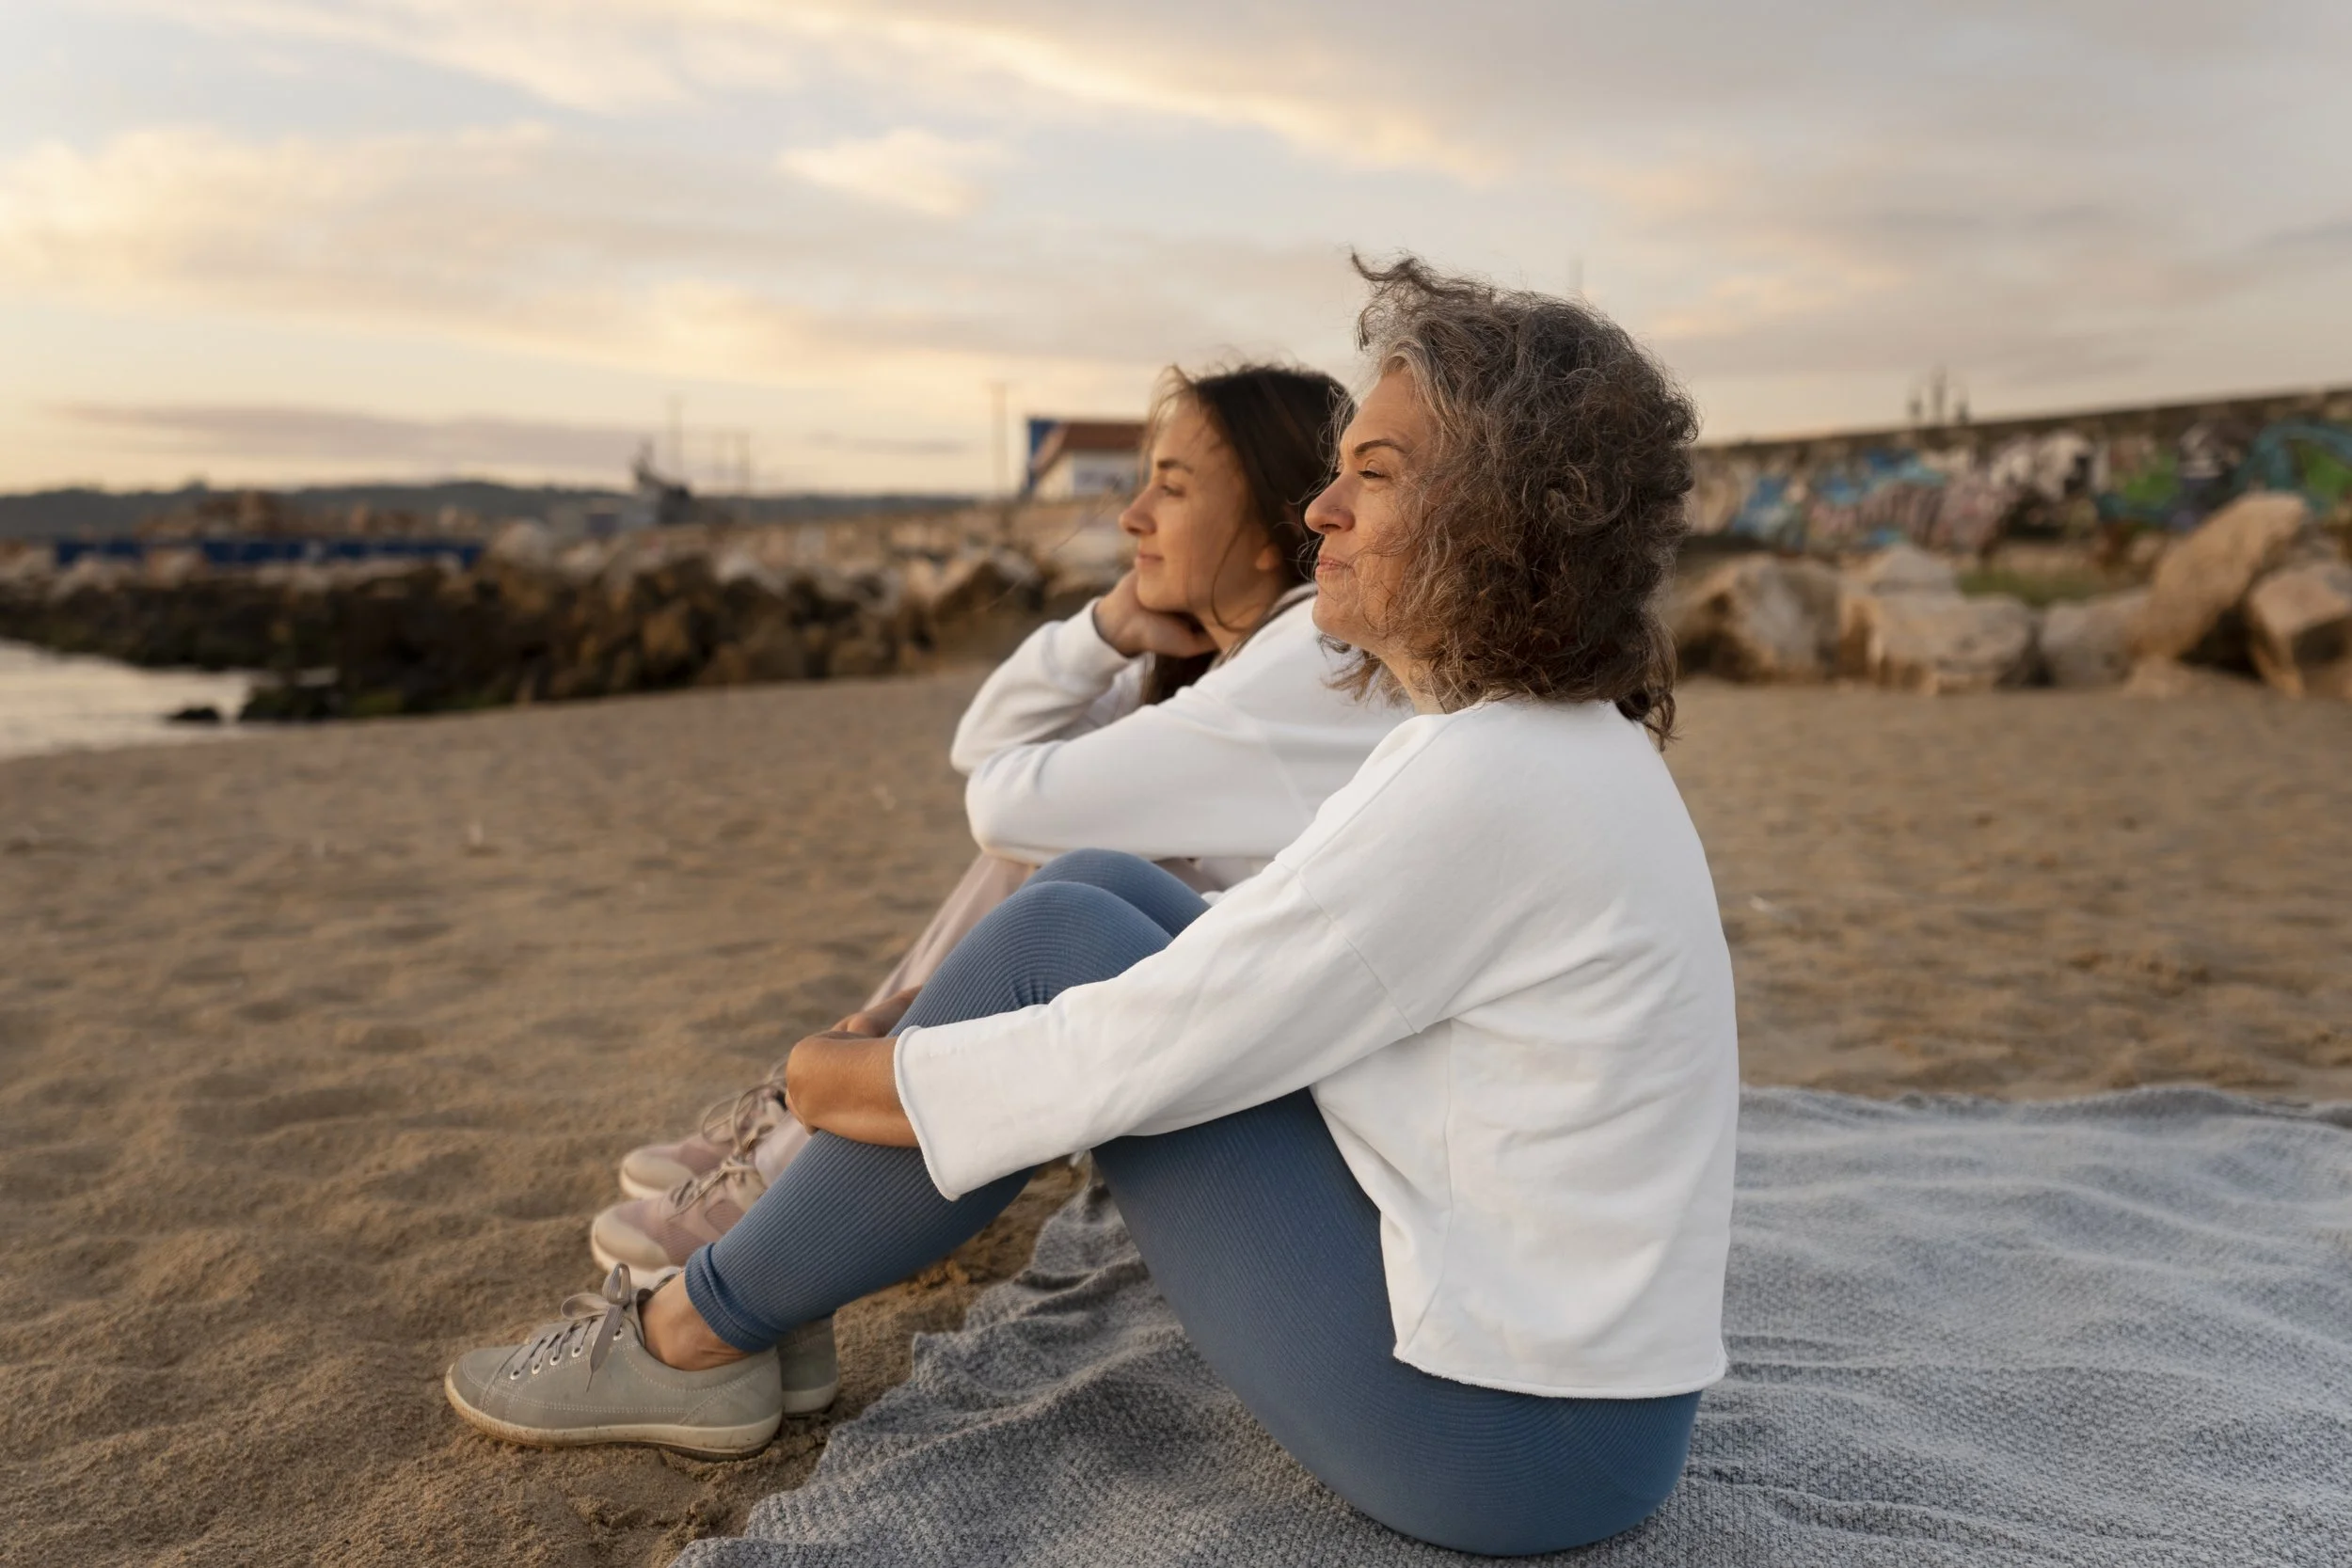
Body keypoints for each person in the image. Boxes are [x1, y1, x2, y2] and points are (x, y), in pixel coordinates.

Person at [447, 257, 1736, 1557]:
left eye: (1376, 473)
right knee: (1096, 888)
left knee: (1064, 947)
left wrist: (838, 1078)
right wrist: (917, 1039)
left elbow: (1137, 1050)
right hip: (1572, 1408)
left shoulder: (1487, 778)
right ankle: (770, 1295)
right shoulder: (1535, 746)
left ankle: (691, 1332)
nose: (1322, 508)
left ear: (1501, 515)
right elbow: (1244, 963)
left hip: (1509, 1446)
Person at [590, 365, 1409, 1276]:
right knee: (1055, 855)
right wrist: (1104, 629)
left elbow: (1000, 801)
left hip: (1281, 1078)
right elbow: (981, 751)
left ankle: (799, 1161)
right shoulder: (1247, 660)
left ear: (1275, 526)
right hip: (1243, 1037)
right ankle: (801, 1135)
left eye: (1172, 488)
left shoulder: (1307, 660)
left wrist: (1094, 647)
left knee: (1050, 864)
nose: (1131, 516)